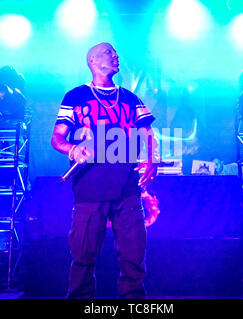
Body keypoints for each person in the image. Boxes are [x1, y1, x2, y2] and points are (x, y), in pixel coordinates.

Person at [51, 42, 159, 299]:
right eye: (108, 52)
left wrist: (153, 159)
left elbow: (148, 132)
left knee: (134, 258)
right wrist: (72, 150)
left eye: (115, 52)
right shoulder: (75, 97)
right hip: (90, 189)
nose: (116, 55)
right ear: (92, 61)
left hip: (127, 189)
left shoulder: (131, 99)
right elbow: (56, 138)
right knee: (83, 258)